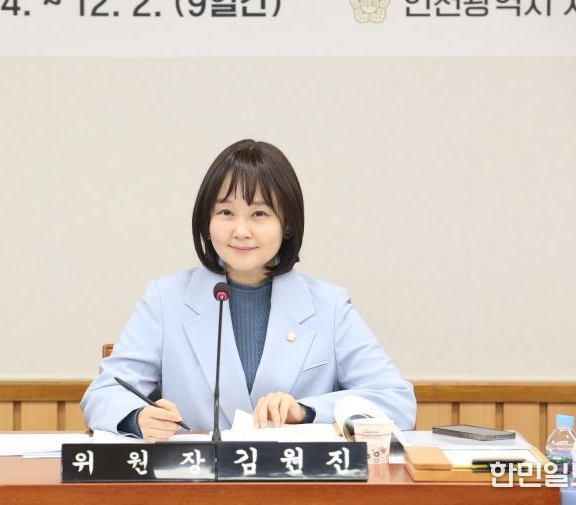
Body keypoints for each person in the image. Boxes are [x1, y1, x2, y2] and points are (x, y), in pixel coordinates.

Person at [81, 139, 416, 442]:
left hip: (295, 482)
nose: (241, 231)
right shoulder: (164, 299)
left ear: (287, 224)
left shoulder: (330, 305)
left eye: (259, 213)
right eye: (226, 212)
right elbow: (103, 394)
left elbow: (397, 401)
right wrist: (138, 418)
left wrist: (306, 411)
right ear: (207, 221)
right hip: (193, 480)